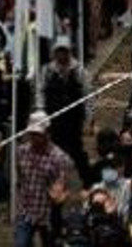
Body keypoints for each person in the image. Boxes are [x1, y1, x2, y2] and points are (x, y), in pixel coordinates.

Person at [15, 111, 77, 247]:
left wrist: (63, 195)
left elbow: (71, 186)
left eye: (37, 134)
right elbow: (20, 177)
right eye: (32, 133)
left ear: (47, 133)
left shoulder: (59, 158)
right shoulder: (21, 152)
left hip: (49, 214)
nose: (34, 137)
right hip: (25, 210)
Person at [39, 35, 89, 175]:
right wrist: (41, 113)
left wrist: (89, 118)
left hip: (74, 118)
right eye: (59, 51)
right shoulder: (47, 71)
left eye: (64, 51)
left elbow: (88, 95)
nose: (62, 54)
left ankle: (87, 178)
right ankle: (55, 177)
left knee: (76, 149)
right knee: (54, 149)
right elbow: (40, 92)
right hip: (54, 117)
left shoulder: (79, 70)